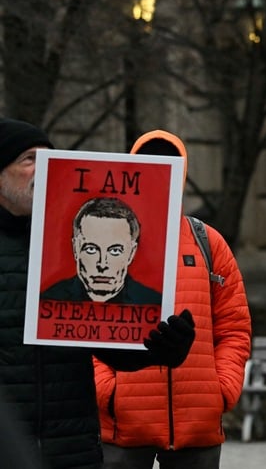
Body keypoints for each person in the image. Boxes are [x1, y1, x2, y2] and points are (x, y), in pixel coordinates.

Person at [0, 117, 196, 469]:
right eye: (29, 159)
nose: (42, 169)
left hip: (71, 450)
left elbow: (102, 338)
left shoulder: (61, 244)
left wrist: (158, 347)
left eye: (48, 158)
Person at [94, 130, 252, 469]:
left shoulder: (208, 243)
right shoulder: (104, 242)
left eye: (169, 165)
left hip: (197, 426)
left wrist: (220, 389)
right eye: (148, 164)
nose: (159, 172)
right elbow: (83, 326)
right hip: (124, 428)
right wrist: (108, 392)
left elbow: (234, 328)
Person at [42, 196, 161, 304]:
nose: (102, 264)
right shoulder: (48, 300)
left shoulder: (152, 303)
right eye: (91, 249)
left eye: (115, 251)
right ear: (76, 249)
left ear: (131, 253)